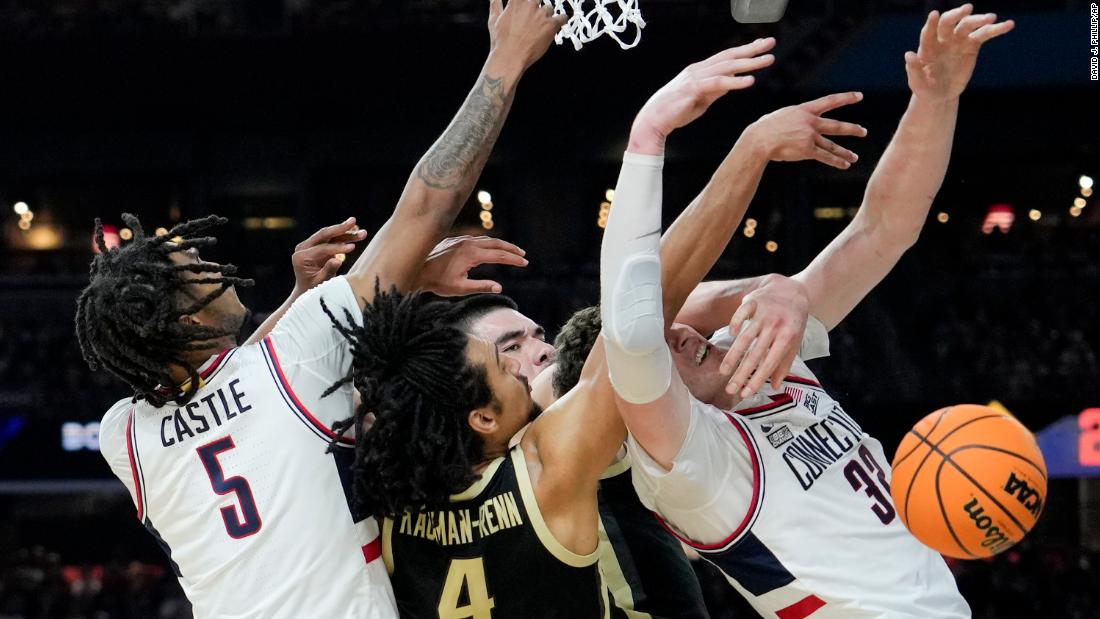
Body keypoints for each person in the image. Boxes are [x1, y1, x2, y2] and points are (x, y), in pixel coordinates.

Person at [336, 38, 866, 617]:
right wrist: (742, 152)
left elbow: (356, 352)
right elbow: (640, 312)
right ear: (483, 418)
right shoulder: (541, 469)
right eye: (506, 362)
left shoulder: (386, 501)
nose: (532, 362)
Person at [77, 1, 562, 615]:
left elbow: (227, 388)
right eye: (196, 272)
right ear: (186, 321)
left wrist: (314, 295)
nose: (218, 271)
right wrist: (507, 60)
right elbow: (426, 207)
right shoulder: (295, 357)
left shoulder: (124, 435)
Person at [600, 5, 1013, 617]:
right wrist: (649, 138)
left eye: (681, 323)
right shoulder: (693, 462)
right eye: (669, 339)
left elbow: (883, 230)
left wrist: (936, 98)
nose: (682, 331)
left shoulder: (767, 353)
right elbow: (632, 327)